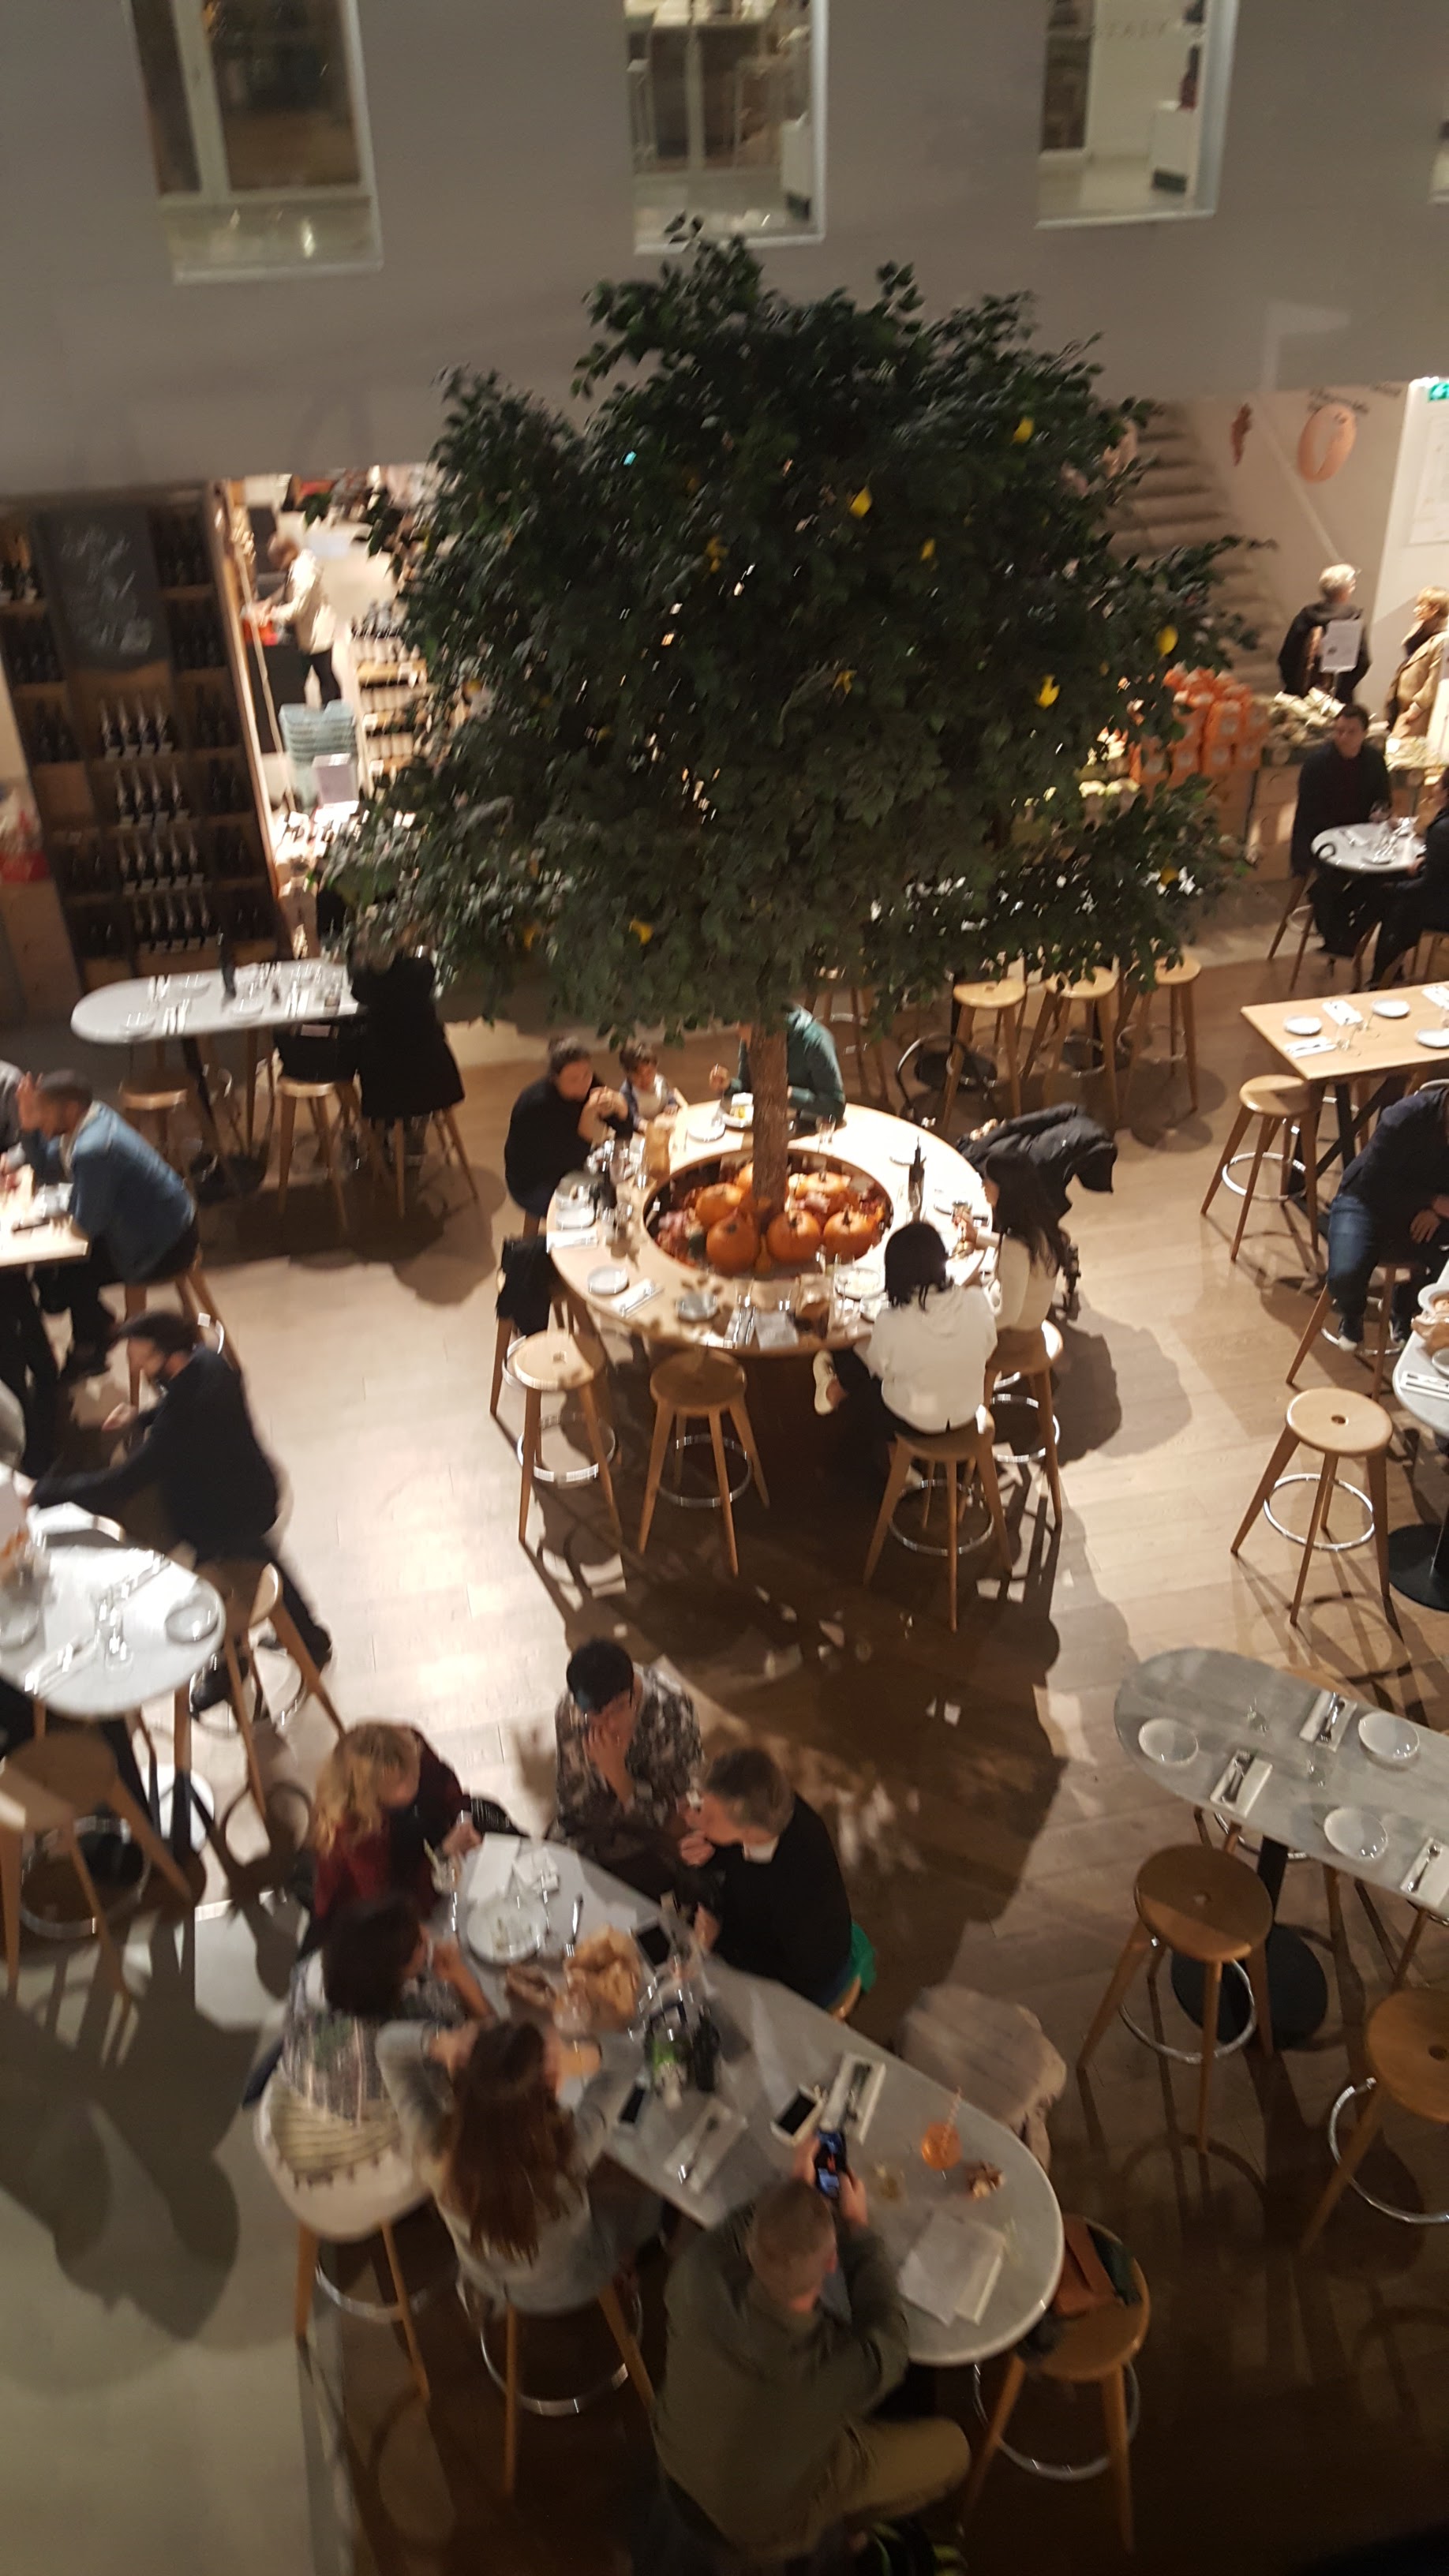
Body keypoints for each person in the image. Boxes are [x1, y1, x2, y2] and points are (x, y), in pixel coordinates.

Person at [651, 2164, 969, 2560]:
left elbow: (735, 2227)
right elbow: (890, 2341)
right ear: (832, 2261)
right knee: (954, 2452)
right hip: (760, 2528)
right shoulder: (833, 2367)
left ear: (751, 2248)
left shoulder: (694, 2274)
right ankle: (851, 2529)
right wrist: (858, 2230)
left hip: (677, 2472)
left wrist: (789, 2196)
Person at [31, 1309, 331, 1702]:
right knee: (261, 1559)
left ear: (168, 1356)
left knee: (216, 1582)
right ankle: (308, 1638)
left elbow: (123, 1481)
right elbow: (179, 1404)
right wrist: (141, 1418)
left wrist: (42, 1494)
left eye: (140, 1357)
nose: (135, 1366)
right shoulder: (208, 1363)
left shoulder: (182, 1418)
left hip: (224, 1514)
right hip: (251, 1487)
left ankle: (231, 1665)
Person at [377, 2012, 660, 2312]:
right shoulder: (568, 2156)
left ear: (459, 2082)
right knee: (651, 2201)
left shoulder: (435, 2150)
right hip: (571, 2284)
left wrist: (438, 2042)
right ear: (554, 2085)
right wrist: (578, 2058)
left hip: (486, 2279)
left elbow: (387, 2046)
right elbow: (630, 2057)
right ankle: (631, 2261)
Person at [271, 1893, 492, 2183]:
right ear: (395, 1978)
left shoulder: (311, 1969)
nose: (427, 1935)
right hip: (337, 2134)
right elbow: (486, 2038)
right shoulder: (409, 2029)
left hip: (299, 2083)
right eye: (418, 1943)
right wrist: (459, 1973)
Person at [17, 1071, 197, 1377]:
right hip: (160, 1224)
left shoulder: (93, 1148)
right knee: (54, 1273)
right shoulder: (92, 1117)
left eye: (44, 1111)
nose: (41, 1118)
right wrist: (29, 1125)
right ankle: (98, 1330)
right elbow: (46, 1167)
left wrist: (65, 1209)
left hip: (164, 1243)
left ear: (70, 1109)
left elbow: (88, 1224)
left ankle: (91, 1345)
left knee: (65, 1274)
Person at [680, 1745, 854, 2009]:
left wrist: (718, 1937)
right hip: (763, 1939)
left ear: (748, 1831)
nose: (696, 1819)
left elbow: (786, 1967)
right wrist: (710, 1854)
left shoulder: (795, 1883)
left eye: (709, 1816)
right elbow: (736, 1861)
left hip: (801, 1980)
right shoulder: (768, 1808)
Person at [818, 1218, 997, 1445]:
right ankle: (836, 1388)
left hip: (914, 1421)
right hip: (968, 1410)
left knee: (861, 1377)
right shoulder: (977, 1301)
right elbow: (989, 1348)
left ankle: (834, 1390)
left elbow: (879, 1368)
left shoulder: (892, 1321)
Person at [552, 1638, 702, 1898]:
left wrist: (619, 1777)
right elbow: (574, 1805)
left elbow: (677, 1817)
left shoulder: (671, 1712)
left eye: (619, 1708)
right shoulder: (572, 1712)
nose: (609, 1724)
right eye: (597, 1715)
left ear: (633, 1686)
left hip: (652, 1842)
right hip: (593, 1838)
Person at [310, 1720, 481, 1926]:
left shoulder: (410, 1747)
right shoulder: (353, 1829)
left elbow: (443, 1781)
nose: (414, 1780)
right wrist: (442, 1858)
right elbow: (389, 1904)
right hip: (373, 1913)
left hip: (423, 1857)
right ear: (370, 1795)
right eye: (400, 1781)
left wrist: (463, 1820)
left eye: (415, 1771)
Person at [1323, 1085, 1449, 1350]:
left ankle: (1407, 1301)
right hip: (1366, 1201)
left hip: (1426, 1209)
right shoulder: (1403, 1116)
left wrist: (1437, 1210)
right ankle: (1352, 1314)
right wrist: (1431, 1201)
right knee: (1345, 1275)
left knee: (1445, 1269)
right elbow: (1375, 1183)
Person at [1294, 706, 1393, 957]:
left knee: (1385, 880)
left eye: (1351, 732)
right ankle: (1336, 938)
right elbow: (1308, 814)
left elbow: (1383, 799)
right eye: (1339, 731)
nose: (1344, 737)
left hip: (1363, 835)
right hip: (1323, 837)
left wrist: (1379, 814)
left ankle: (1349, 935)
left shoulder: (1374, 760)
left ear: (1364, 734)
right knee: (1330, 883)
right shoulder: (1318, 764)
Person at [348, 929, 466, 1136]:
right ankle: (414, 1125)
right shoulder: (422, 971)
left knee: (362, 1046)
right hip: (432, 1073)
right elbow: (428, 965)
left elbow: (356, 986)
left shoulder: (364, 982)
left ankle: (379, 1135)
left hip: (386, 1083)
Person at [502, 1038, 630, 1222]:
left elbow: (625, 1130)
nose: (584, 1083)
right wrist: (588, 1115)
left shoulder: (588, 1083)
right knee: (598, 1207)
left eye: (587, 1074)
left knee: (625, 1179)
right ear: (555, 1079)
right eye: (573, 1079)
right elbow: (572, 1159)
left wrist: (621, 1108)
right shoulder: (537, 1105)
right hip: (533, 1181)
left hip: (570, 1162)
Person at [973, 1145, 1068, 1334]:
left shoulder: (1015, 1248)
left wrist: (971, 1331)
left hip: (1014, 1332)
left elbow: (1007, 1316)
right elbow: (1021, 1249)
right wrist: (977, 1236)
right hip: (1029, 1314)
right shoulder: (1039, 1223)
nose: (983, 1185)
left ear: (1005, 1191)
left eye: (988, 1180)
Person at [710, 1005, 845, 1132]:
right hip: (767, 1128)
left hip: (807, 1130)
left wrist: (789, 1094)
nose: (738, 1030)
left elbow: (836, 1107)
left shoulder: (815, 1041)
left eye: (742, 1023)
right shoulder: (750, 1037)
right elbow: (748, 1089)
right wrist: (728, 1085)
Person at [1372, 773, 1449, 983]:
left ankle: (1382, 976)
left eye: (1438, 784)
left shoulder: (1442, 830)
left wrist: (1395, 888)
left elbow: (1429, 885)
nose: (1434, 788)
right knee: (1392, 887)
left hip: (1442, 908)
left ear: (1446, 793)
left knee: (1391, 902)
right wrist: (1426, 859)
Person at [263, 534, 341, 702]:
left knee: (324, 676)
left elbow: (297, 610)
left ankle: (334, 711)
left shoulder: (303, 573)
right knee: (324, 674)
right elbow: (286, 589)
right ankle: (335, 708)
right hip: (312, 630)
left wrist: (273, 614)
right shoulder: (298, 566)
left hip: (317, 632)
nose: (274, 565)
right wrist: (269, 602)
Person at [1278, 563, 1369, 705]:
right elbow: (1363, 662)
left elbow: (1287, 656)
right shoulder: (1352, 620)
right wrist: (1344, 691)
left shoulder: (1306, 617)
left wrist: (1294, 686)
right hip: (1336, 700)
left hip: (1300, 697)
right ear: (1347, 590)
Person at [1384, 588, 1449, 737]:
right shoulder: (1422, 637)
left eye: (1421, 606)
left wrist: (1416, 708)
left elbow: (1434, 681)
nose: (1416, 610)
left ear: (1434, 609)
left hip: (1416, 716)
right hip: (1403, 710)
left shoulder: (1441, 641)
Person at [617, 1037, 679, 1129]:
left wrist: (671, 1105)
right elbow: (631, 1117)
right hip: (642, 1132)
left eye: (649, 1072)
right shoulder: (627, 1092)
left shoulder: (660, 1081)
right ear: (628, 1075)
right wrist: (644, 1125)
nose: (645, 1079)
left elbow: (669, 1096)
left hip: (663, 1125)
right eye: (638, 1075)